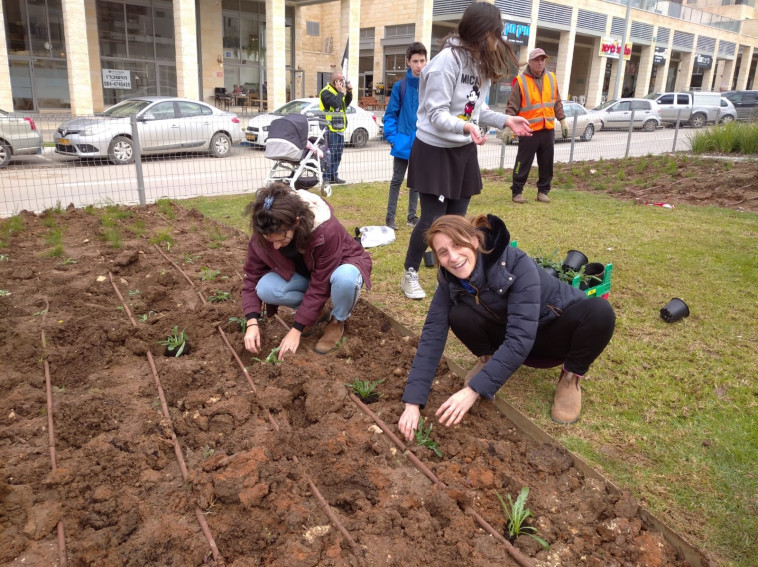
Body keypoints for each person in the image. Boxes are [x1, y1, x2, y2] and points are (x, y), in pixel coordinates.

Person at [397, 214, 616, 441]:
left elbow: (520, 337)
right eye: (443, 252)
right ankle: (490, 359)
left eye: (457, 244)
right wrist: (412, 403)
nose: (453, 257)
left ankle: (570, 379)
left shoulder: (515, 262)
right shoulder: (449, 281)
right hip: (510, 335)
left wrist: (473, 391)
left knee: (600, 313)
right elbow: (432, 335)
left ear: (474, 241)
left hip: (550, 332)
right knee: (458, 312)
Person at [399, 3, 532, 300]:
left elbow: (476, 109)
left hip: (462, 150)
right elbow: (436, 113)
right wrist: (466, 128)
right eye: (495, 33)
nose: (497, 40)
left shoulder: (478, 62)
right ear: (483, 32)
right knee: (432, 220)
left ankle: (447, 277)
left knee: (458, 221)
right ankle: (410, 272)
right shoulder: (446, 62)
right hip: (433, 148)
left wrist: (505, 119)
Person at [241, 182, 372, 357]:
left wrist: (296, 330)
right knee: (265, 288)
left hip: (339, 267)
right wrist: (252, 322)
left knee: (346, 278)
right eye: (271, 241)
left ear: (296, 222)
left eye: (281, 239)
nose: (277, 246)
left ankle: (337, 321)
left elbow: (320, 284)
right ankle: (317, 313)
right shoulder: (266, 230)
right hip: (307, 274)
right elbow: (251, 277)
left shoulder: (325, 231)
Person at [507, 48, 568, 205]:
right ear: (530, 62)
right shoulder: (521, 81)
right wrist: (508, 125)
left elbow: (557, 101)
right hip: (528, 130)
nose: (540, 63)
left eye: (542, 60)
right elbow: (512, 105)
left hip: (547, 130)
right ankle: (517, 191)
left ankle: (543, 191)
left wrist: (562, 119)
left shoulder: (552, 78)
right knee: (523, 161)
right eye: (537, 60)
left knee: (547, 163)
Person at [383, 42, 427, 230]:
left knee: (416, 183)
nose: (419, 65)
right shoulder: (399, 87)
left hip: (423, 142)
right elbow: (390, 115)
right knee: (396, 181)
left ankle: (412, 217)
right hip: (402, 142)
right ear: (408, 62)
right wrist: (393, 138)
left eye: (422, 61)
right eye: (415, 61)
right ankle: (390, 218)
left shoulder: (430, 85)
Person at [319, 71, 353, 184]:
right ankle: (327, 178)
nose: (343, 82)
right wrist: (340, 92)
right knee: (330, 155)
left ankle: (334, 176)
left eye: (343, 80)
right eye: (341, 80)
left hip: (340, 128)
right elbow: (335, 104)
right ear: (335, 81)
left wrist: (349, 92)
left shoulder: (338, 92)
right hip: (330, 129)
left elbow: (345, 104)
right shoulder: (326, 92)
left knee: (338, 154)